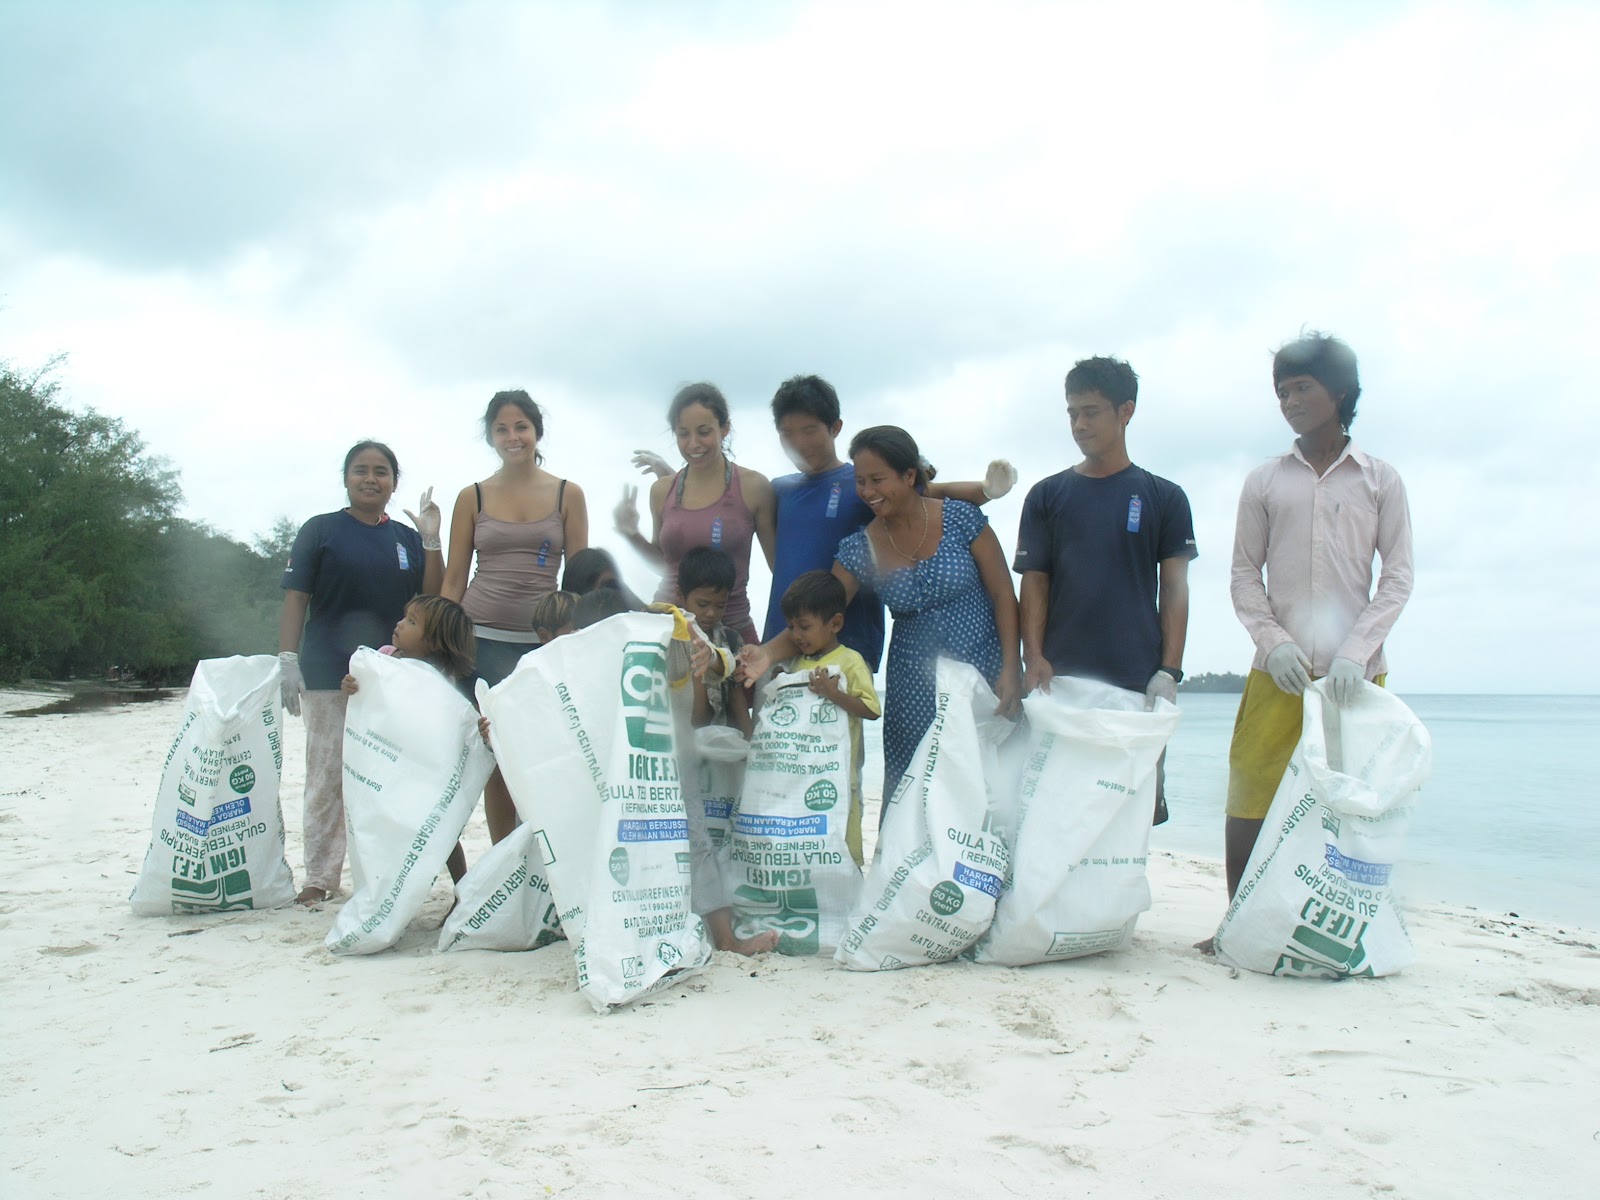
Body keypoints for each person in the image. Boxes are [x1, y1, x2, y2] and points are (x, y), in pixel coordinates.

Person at [1223, 332, 1415, 901]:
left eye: (1301, 388)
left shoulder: (1380, 480)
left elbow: (1398, 577)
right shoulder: (1264, 480)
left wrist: (1356, 653)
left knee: (1354, 798)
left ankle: (1347, 916)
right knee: (1252, 789)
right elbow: (1241, 575)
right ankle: (1237, 919)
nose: (1289, 402)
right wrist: (1273, 641)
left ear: (1338, 392)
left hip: (1357, 681)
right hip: (1276, 672)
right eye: (1282, 392)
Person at [739, 426, 1021, 800]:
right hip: (914, 688)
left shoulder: (961, 519)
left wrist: (1011, 668)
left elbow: (1003, 594)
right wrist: (768, 653)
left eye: (877, 480)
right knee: (916, 793)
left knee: (992, 789)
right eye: (859, 482)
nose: (867, 492)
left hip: (984, 670)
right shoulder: (860, 549)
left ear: (908, 476)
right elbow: (821, 612)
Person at [1013, 356, 1197, 823]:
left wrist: (1169, 672)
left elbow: (1174, 588)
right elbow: (1034, 582)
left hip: (1135, 683)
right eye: (1072, 412)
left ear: (1126, 411)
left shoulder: (1165, 496)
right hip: (1061, 682)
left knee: (1128, 821)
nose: (1079, 424)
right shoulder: (1046, 495)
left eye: (1091, 411)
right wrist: (1032, 657)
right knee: (1050, 814)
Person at [277, 440, 443, 906]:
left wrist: (431, 539)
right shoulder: (320, 531)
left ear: (394, 482)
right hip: (328, 670)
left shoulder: (406, 540)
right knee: (328, 775)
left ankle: (387, 873)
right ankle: (320, 877)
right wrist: (286, 659)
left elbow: (431, 601)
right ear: (346, 478)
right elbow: (295, 598)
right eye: (361, 470)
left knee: (388, 777)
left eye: (382, 471)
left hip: (394, 675)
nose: (371, 479)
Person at [760, 375, 1018, 671]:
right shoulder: (778, 490)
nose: (799, 443)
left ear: (835, 427)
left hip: (846, 645)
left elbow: (934, 493)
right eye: (787, 433)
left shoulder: (862, 483)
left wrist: (987, 490)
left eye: (809, 430)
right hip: (780, 639)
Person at [442, 390, 588, 844]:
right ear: (490, 436)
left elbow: (579, 581)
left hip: (539, 648)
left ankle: (540, 868)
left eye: (521, 427)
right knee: (494, 761)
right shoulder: (473, 496)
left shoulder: (569, 493)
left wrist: (576, 646)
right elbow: (453, 580)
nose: (513, 437)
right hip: (478, 641)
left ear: (536, 432)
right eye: (502, 429)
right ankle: (501, 871)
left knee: (540, 757)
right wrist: (437, 647)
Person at [613, 383, 776, 647]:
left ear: (725, 429)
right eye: (683, 434)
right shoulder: (662, 490)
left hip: (730, 629)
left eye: (703, 432)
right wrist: (631, 534)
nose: (693, 444)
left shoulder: (754, 487)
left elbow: (777, 567)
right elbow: (664, 563)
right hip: (667, 627)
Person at [340, 593, 476, 886]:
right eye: (405, 617)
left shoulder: (440, 681)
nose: (400, 624)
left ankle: (461, 888)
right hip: (384, 762)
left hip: (420, 770)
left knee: (440, 831)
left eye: (412, 622)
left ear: (434, 642)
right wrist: (350, 684)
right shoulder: (386, 655)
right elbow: (365, 690)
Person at [773, 570, 881, 866]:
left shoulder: (850, 661)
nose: (796, 635)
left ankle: (852, 889)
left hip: (840, 774)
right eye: (791, 627)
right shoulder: (798, 661)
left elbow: (872, 709)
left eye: (804, 627)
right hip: (804, 772)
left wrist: (835, 694)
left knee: (843, 837)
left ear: (835, 623)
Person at [676, 546, 753, 737]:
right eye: (702, 604)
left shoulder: (731, 640)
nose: (711, 613)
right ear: (681, 596)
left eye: (720, 605)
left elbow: (737, 698)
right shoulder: (672, 640)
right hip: (680, 738)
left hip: (720, 738)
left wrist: (751, 746)